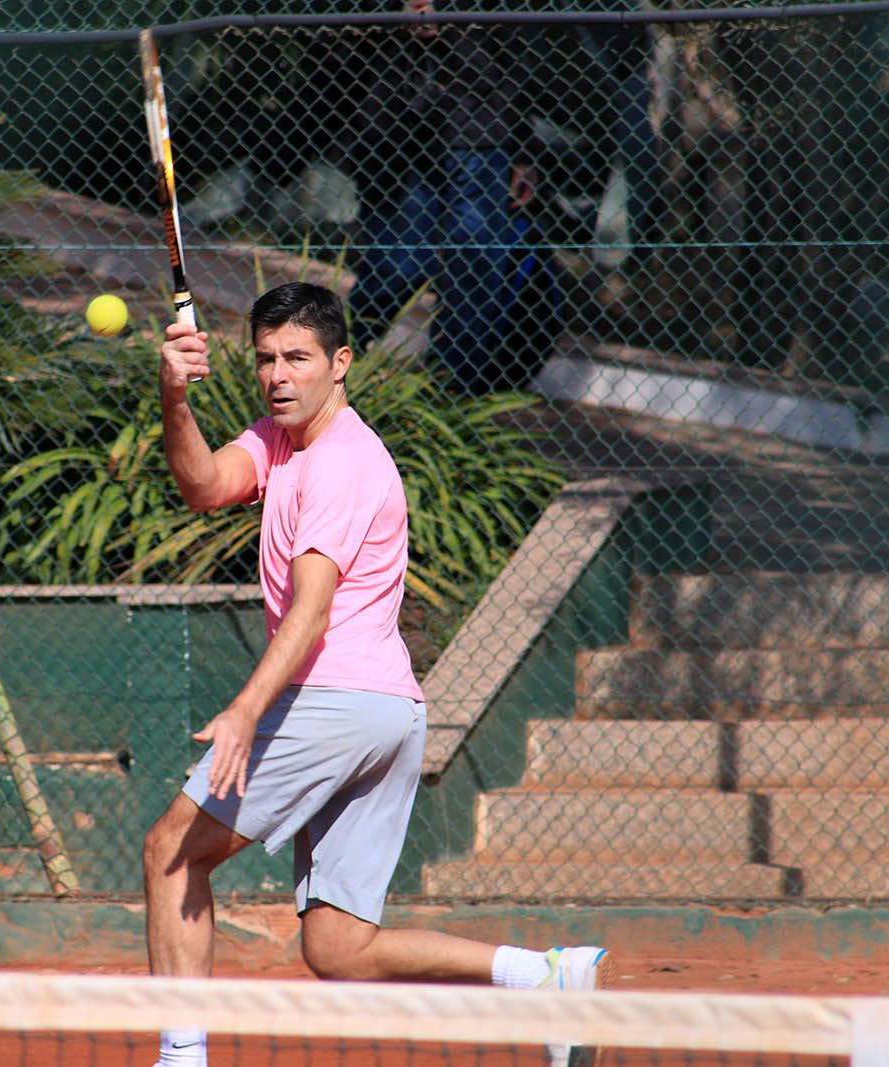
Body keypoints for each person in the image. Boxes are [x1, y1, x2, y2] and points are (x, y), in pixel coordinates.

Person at [144, 282, 612, 1067]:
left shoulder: (342, 465)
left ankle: (181, 1058)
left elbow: (312, 613)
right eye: (265, 359)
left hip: (333, 701)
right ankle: (544, 976)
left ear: (341, 363)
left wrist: (246, 709)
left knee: (170, 850)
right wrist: (174, 398)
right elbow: (204, 486)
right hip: (388, 711)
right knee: (338, 946)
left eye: (298, 358)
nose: (278, 376)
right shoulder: (279, 440)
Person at [346, 0, 562, 394]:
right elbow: (347, 72)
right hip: (401, 152)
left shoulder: (483, 24)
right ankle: (342, 364)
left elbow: (512, 73)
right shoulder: (379, 28)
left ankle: (448, 392)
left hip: (480, 148)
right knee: (398, 267)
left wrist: (525, 151)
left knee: (473, 273)